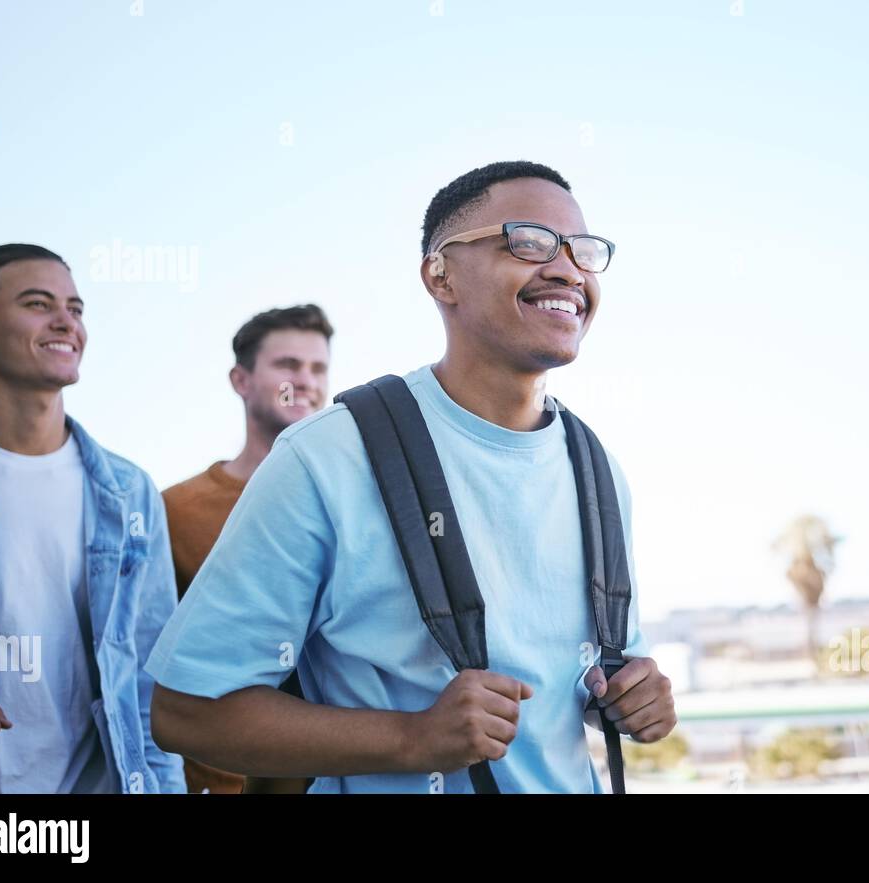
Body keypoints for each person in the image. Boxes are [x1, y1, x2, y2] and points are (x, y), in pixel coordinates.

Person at [148, 161, 677, 792]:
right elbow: (186, 713)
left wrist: (629, 696)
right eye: (528, 242)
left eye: (583, 251)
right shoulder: (328, 456)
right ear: (440, 274)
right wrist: (414, 739)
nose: (567, 269)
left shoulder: (597, 469)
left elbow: (589, 677)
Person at [0, 244, 184, 794]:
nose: (65, 322)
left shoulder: (128, 492)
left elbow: (151, 687)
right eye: (37, 304)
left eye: (75, 308)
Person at [161, 304, 333, 794]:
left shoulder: (352, 503)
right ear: (241, 380)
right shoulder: (175, 510)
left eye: (317, 368)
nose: (305, 380)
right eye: (287, 365)